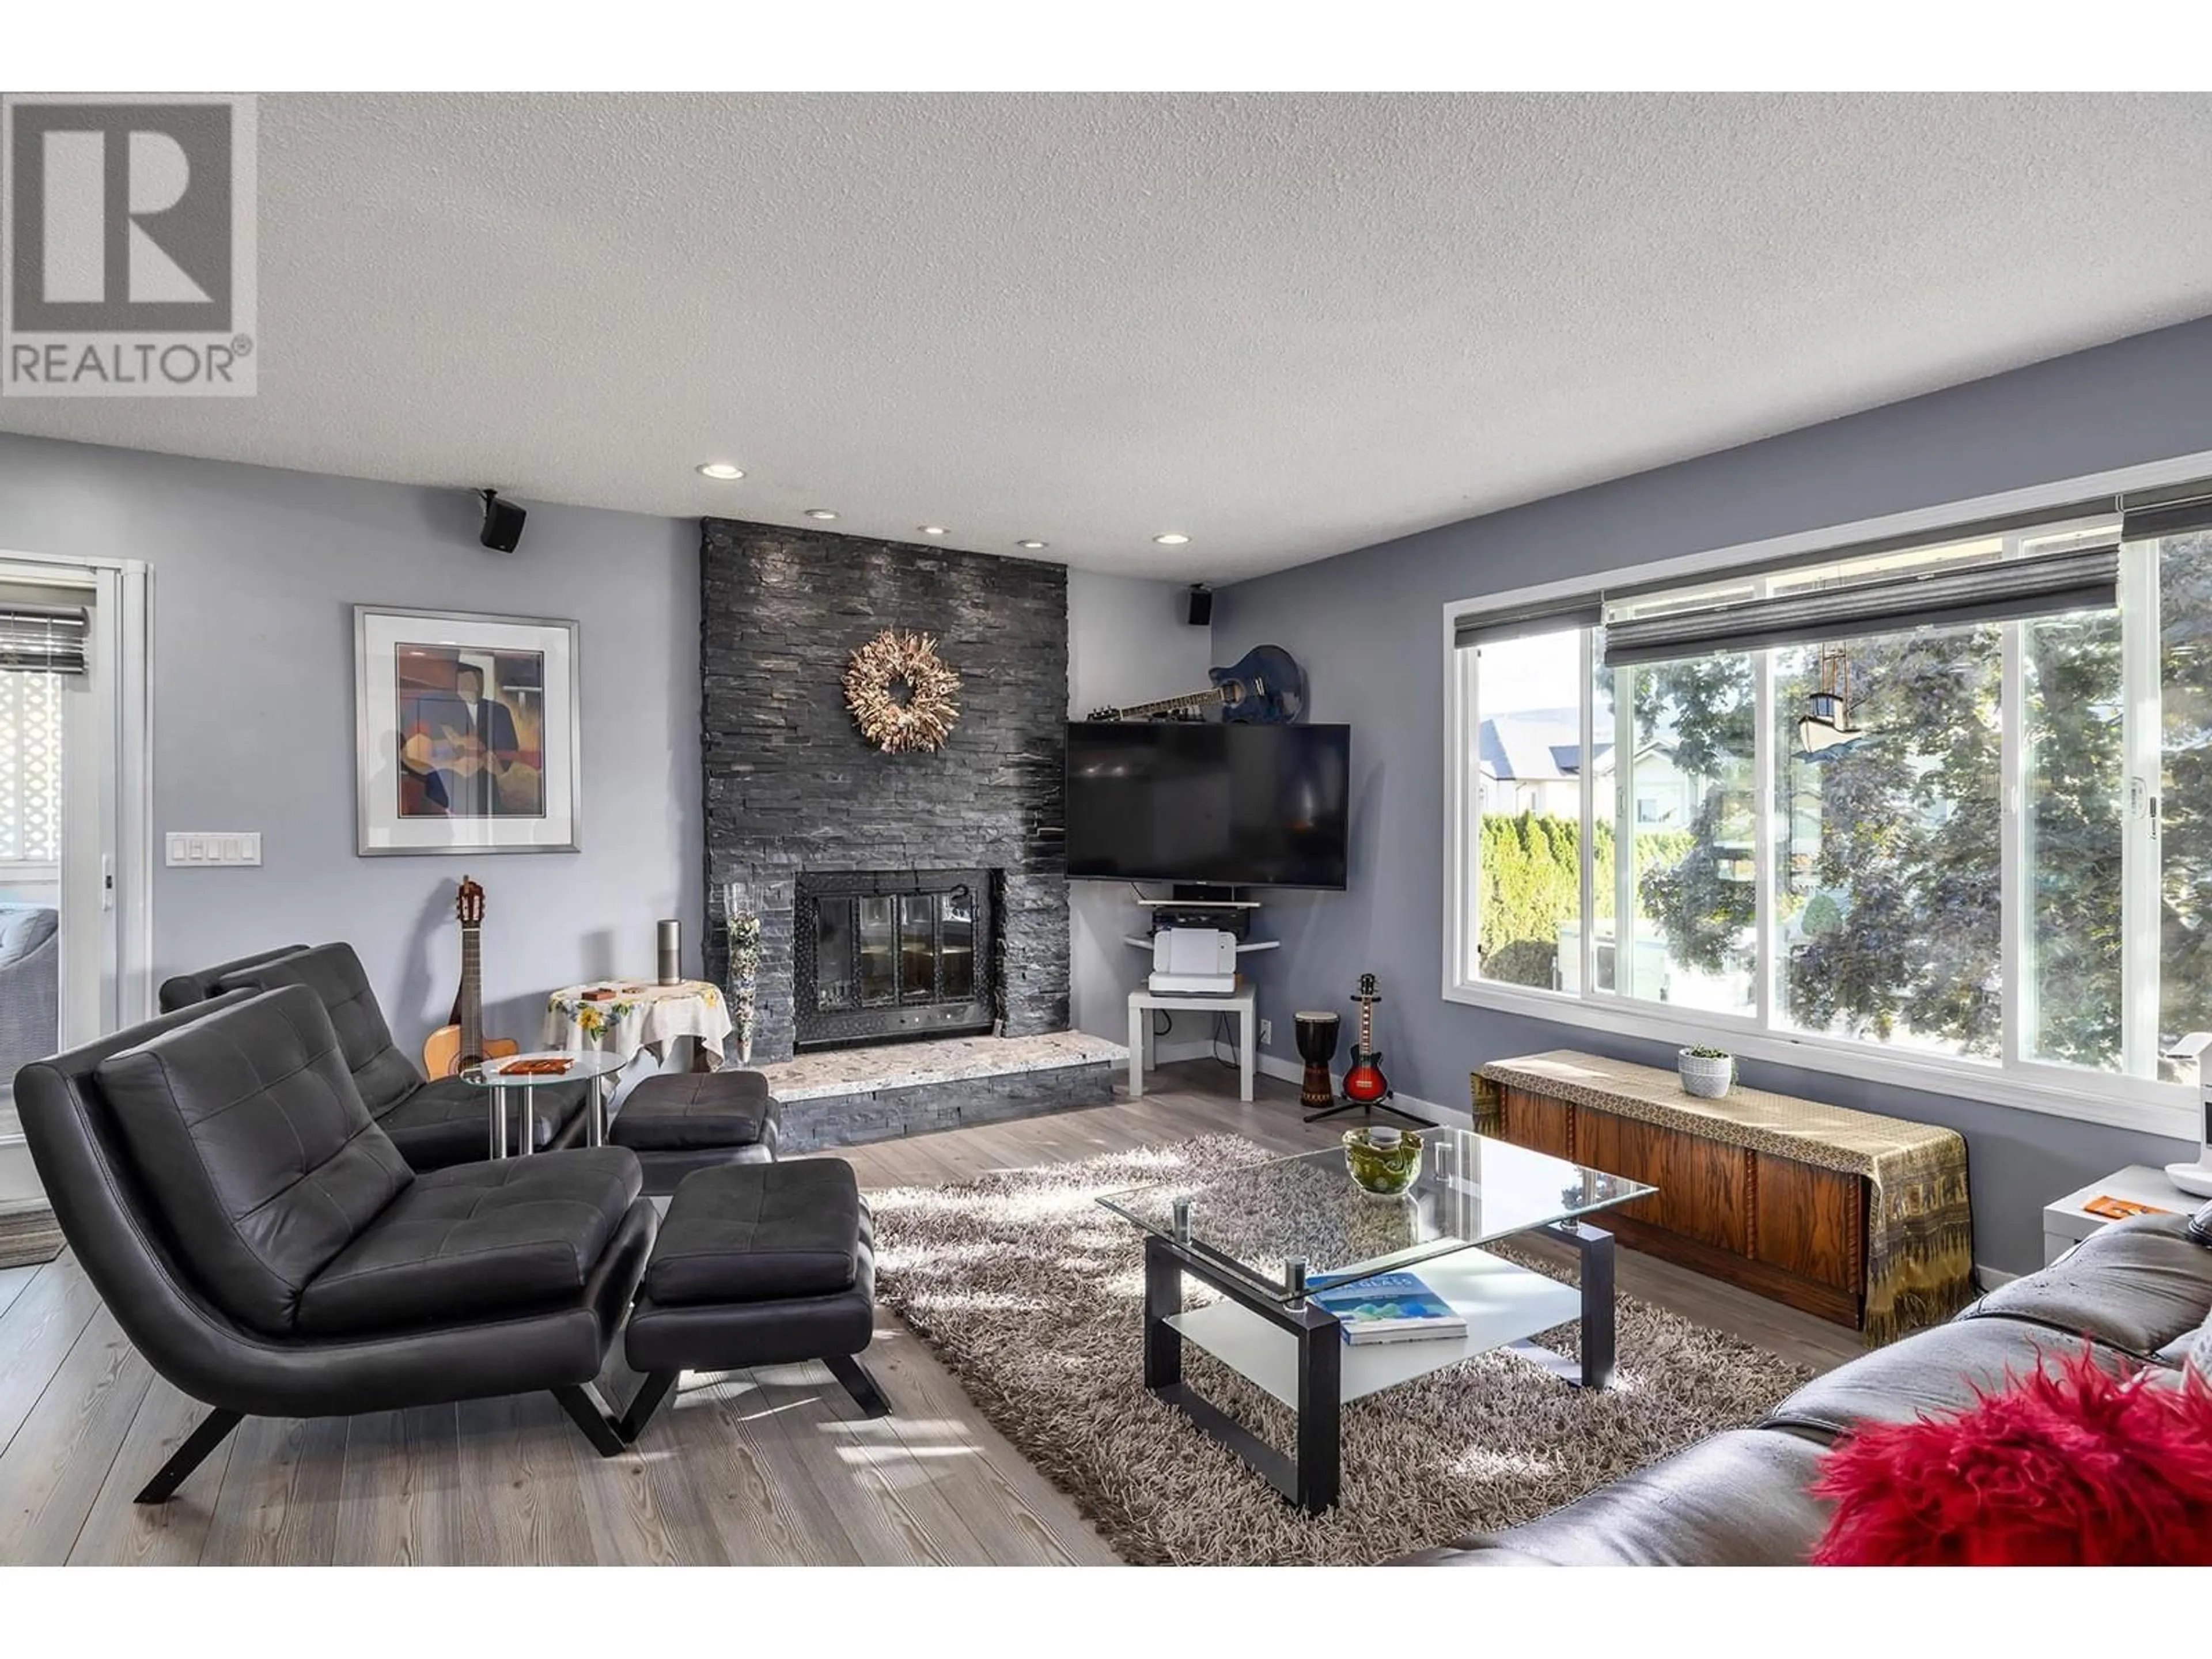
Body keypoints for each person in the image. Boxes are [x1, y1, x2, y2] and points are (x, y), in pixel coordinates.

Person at [401, 662, 519, 817]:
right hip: (446, 791)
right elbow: (417, 753)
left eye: (477, 681)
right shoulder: (439, 707)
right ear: (457, 682)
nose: (473, 686)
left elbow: (509, 749)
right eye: (467, 681)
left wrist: (491, 762)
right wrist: (452, 757)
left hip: (485, 791)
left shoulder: (499, 711)